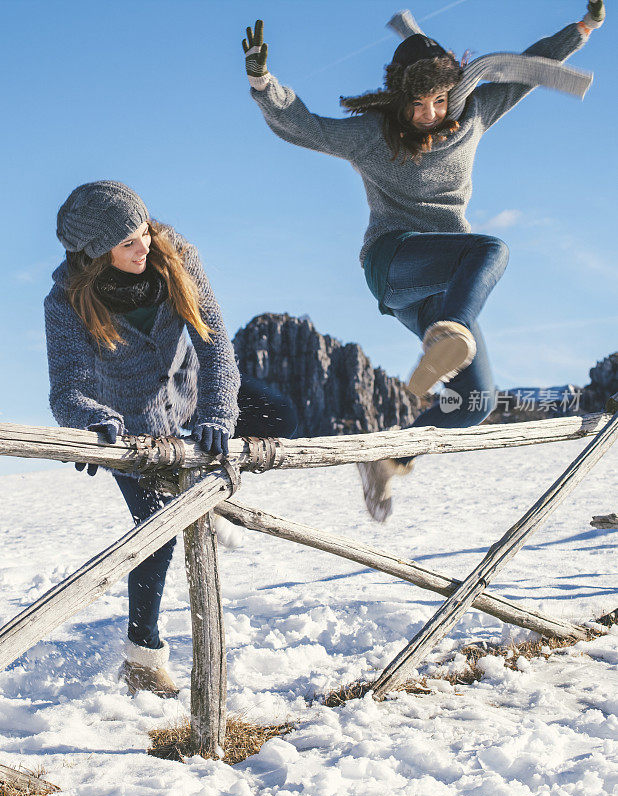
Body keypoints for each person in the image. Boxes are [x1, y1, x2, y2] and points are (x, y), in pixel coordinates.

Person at [242, 3, 605, 521]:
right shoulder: (374, 133)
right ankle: (450, 330)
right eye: (417, 104)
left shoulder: (476, 113)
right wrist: (263, 83)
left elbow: (529, 67)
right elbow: (307, 127)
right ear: (399, 99)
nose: (430, 113)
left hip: (445, 279)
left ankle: (389, 458)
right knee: (491, 249)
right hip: (393, 261)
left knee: (475, 402)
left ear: (454, 93)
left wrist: (582, 29)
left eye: (439, 100)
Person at [45, 181, 296, 697]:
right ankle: (142, 657)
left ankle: (206, 499)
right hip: (129, 429)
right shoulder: (66, 300)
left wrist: (218, 414)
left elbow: (215, 345)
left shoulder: (175, 255)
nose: (145, 247)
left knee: (283, 415)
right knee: (155, 532)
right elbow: (69, 387)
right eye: (128, 244)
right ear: (95, 255)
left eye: (144, 232)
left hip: (190, 397)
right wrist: (89, 421)